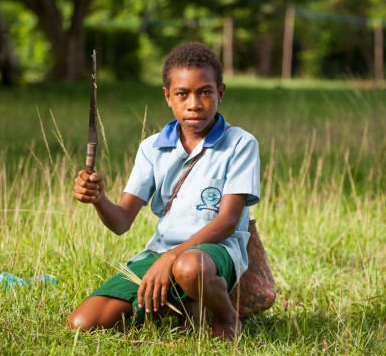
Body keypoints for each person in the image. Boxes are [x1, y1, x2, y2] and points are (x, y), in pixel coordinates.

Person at [68, 41, 260, 340]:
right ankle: (184, 306)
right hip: (159, 253)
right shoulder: (152, 147)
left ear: (219, 93)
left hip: (214, 252)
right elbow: (121, 222)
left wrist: (170, 259)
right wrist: (98, 198)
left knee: (188, 267)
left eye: (205, 92)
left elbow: (227, 222)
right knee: (83, 322)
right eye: (182, 94)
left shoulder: (240, 144)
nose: (194, 104)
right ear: (167, 96)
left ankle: (225, 318)